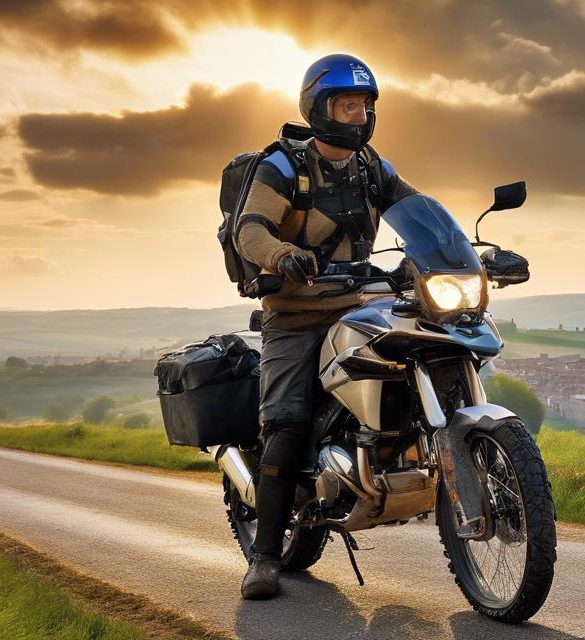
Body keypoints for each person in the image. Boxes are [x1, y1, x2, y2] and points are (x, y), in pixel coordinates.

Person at [234, 53, 420, 599]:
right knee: (288, 423)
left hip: (358, 307)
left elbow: (417, 208)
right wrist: (282, 255)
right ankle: (264, 558)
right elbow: (250, 231)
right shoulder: (283, 166)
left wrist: (460, 255)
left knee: (411, 366)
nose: (359, 114)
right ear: (319, 107)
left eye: (365, 104)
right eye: (347, 103)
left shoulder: (371, 167)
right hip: (295, 316)